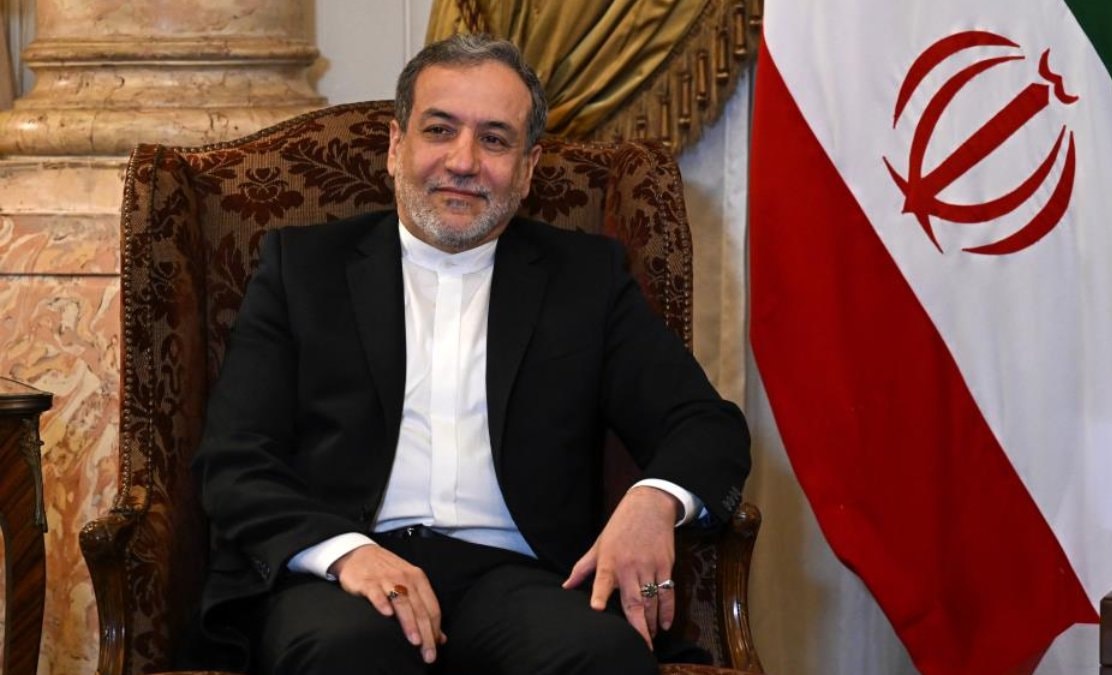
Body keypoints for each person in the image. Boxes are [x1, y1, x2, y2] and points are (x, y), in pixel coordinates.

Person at [186, 33, 750, 675]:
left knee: (601, 657)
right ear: (396, 146)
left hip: (522, 580)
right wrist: (345, 553)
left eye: (494, 139)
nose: (463, 161)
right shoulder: (303, 269)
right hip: (344, 574)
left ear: (528, 168)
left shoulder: (585, 280)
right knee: (344, 652)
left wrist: (653, 501)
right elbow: (235, 460)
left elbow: (705, 425)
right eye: (439, 130)